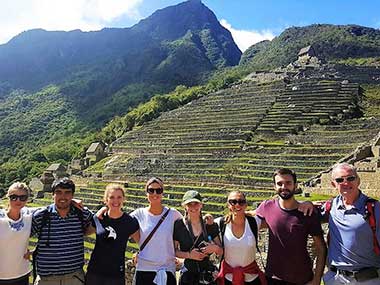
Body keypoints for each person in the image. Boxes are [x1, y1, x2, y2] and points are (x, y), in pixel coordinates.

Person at [255, 168, 326, 285]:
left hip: (302, 279)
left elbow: (321, 248)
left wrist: (317, 279)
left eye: (288, 183)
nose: (284, 187)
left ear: (295, 185)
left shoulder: (307, 212)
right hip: (273, 278)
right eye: (279, 184)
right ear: (274, 187)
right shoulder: (267, 206)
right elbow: (247, 215)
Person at [322, 163, 380, 285]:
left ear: (358, 181)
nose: (346, 183)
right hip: (336, 279)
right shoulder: (330, 207)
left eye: (350, 178)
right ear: (333, 184)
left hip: (368, 279)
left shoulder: (375, 208)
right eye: (340, 180)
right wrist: (305, 204)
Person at [31, 177, 93, 285]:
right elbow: (22, 234)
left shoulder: (81, 213)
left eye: (67, 193)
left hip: (74, 278)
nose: (63, 197)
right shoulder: (42, 215)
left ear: (72, 195)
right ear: (52, 195)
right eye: (58, 192)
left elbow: (100, 220)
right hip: (47, 280)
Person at [131, 177, 182, 285]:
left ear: (162, 192)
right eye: (151, 190)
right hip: (144, 269)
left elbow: (188, 229)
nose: (155, 193)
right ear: (146, 193)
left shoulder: (173, 214)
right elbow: (120, 224)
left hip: (167, 269)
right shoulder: (139, 214)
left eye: (158, 190)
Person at [86, 183, 139, 285]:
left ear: (124, 199)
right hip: (94, 273)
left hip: (115, 275)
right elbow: (85, 232)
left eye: (119, 197)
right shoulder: (99, 218)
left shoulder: (129, 222)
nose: (116, 201)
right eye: (112, 197)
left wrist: (139, 253)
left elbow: (141, 242)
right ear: (106, 200)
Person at [216, 191, 267, 285]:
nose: (237, 205)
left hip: (252, 278)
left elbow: (275, 218)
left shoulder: (254, 222)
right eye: (233, 202)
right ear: (228, 205)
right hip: (228, 278)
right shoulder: (220, 223)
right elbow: (200, 225)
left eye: (241, 202)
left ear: (246, 205)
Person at [173, 190, 223, 285]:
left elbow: (221, 251)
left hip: (208, 275)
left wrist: (214, 248)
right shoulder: (179, 226)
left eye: (196, 203)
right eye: (189, 204)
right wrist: (189, 255)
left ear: (201, 205)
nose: (193, 207)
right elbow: (174, 251)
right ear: (184, 206)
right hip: (188, 276)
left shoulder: (210, 225)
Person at [0, 182, 33, 285]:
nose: (18, 200)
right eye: (13, 197)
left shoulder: (28, 214)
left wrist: (71, 201)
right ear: (8, 197)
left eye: (22, 197)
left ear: (27, 199)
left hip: (22, 274)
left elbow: (53, 207)